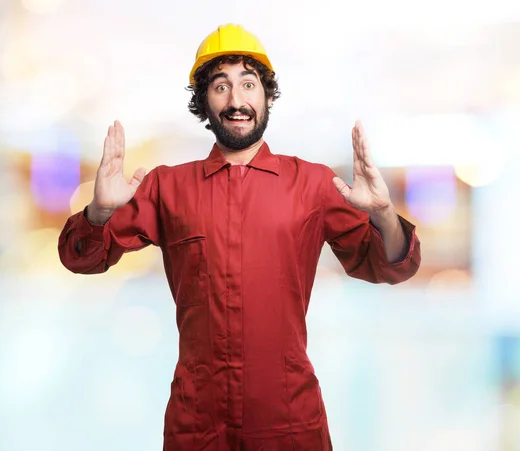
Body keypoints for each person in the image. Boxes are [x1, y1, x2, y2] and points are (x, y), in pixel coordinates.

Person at [58, 23, 421, 451]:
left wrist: (382, 214)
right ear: (204, 103)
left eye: (249, 84)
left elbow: (390, 263)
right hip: (197, 422)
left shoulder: (313, 184)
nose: (236, 100)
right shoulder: (166, 188)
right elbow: (80, 257)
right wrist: (99, 212)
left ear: (266, 96)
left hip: (288, 419)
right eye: (220, 86)